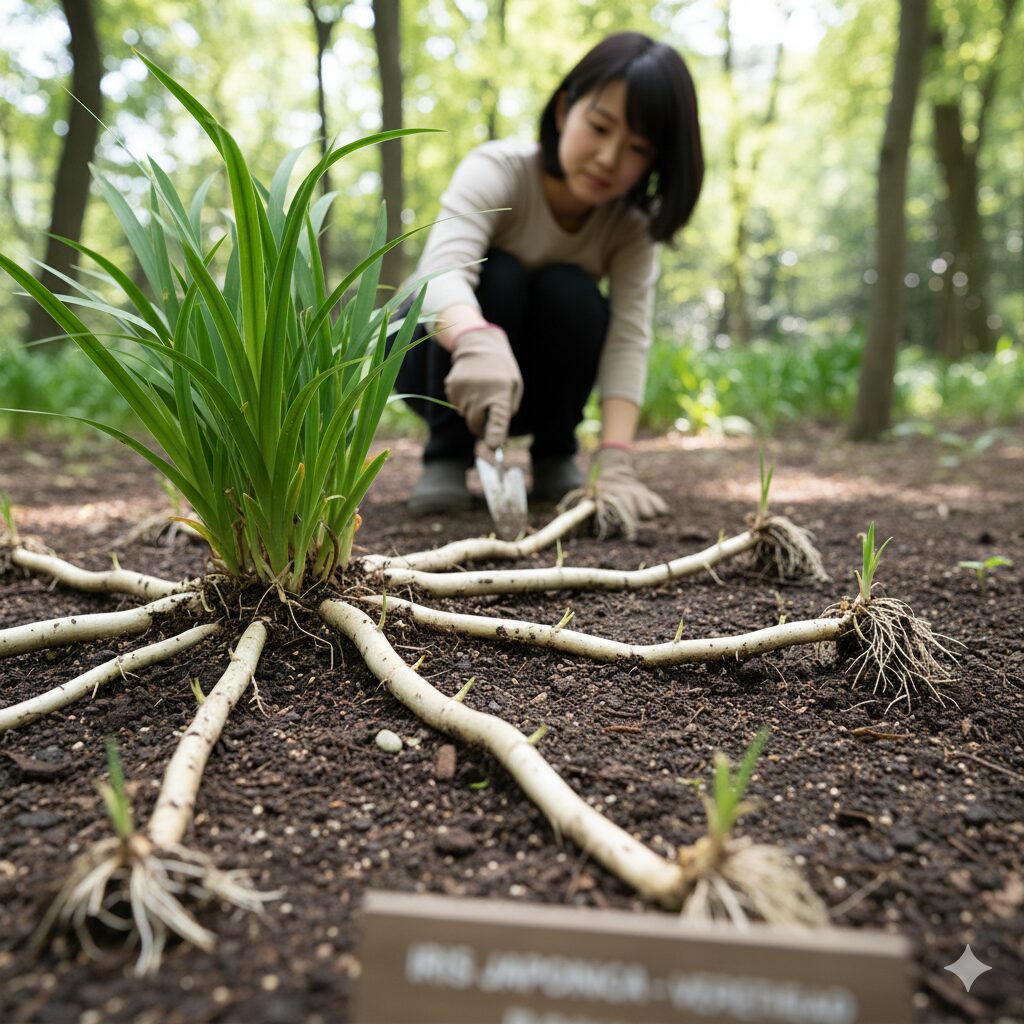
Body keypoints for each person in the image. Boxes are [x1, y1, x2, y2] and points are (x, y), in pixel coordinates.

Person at [395, 30, 704, 519]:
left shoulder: (629, 229)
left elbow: (628, 338)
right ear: (564, 111)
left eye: (636, 148)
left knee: (572, 291)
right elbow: (440, 275)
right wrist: (476, 338)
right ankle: (446, 456)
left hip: (536, 388)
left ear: (657, 161)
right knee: (500, 274)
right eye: (600, 128)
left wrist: (617, 460)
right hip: (437, 367)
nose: (608, 158)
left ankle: (556, 453)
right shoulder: (497, 170)